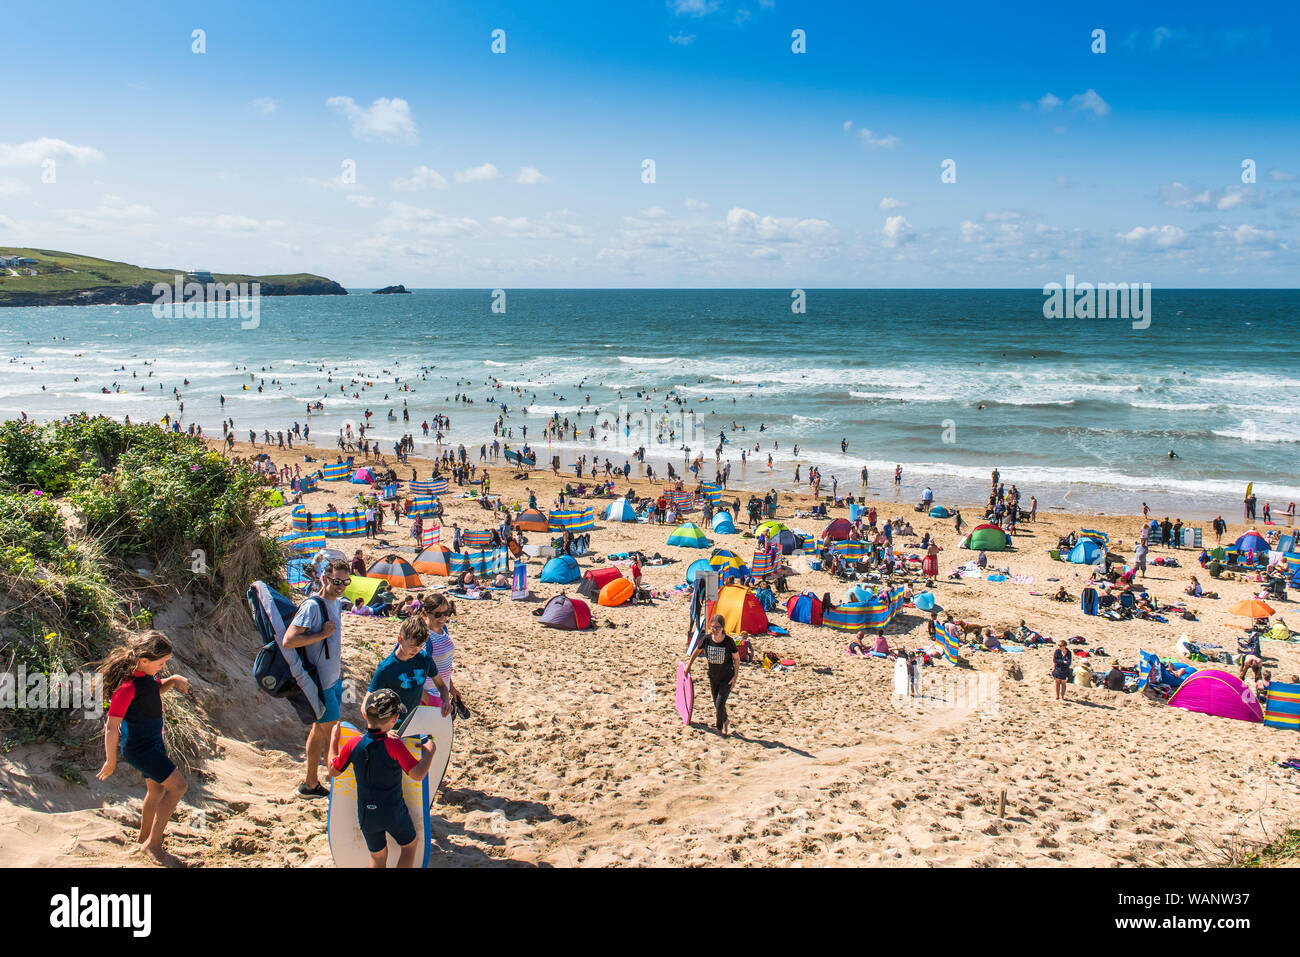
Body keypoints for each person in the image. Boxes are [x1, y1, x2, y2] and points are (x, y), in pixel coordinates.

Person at [96, 631, 190, 865]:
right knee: (178, 787)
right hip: (140, 749)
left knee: (156, 792)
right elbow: (111, 726)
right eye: (161, 663)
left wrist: (173, 679)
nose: (163, 666)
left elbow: (154, 691)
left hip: (153, 744)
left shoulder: (147, 678)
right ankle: (153, 845)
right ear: (144, 660)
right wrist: (111, 760)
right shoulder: (127, 687)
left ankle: (144, 838)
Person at [328, 689, 437, 868]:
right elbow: (417, 774)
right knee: (409, 847)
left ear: (366, 715)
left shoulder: (353, 744)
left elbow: (333, 770)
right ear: (394, 719)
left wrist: (333, 741)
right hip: (393, 812)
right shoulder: (394, 745)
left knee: (378, 858)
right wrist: (430, 753)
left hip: (366, 814)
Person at [283, 558, 349, 798]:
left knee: (319, 731)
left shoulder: (337, 603)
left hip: (333, 680)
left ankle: (310, 784)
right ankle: (339, 789)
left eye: (345, 582)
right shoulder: (312, 606)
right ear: (324, 578)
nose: (340, 586)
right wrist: (321, 634)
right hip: (320, 683)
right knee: (334, 735)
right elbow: (289, 640)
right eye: (336, 581)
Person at [369, 617, 453, 716]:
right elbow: (367, 705)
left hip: (417, 721)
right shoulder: (386, 668)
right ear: (400, 639)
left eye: (420, 646)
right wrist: (383, 729)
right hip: (393, 726)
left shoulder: (425, 659)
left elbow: (442, 686)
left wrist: (446, 701)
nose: (416, 650)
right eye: (412, 646)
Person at [684, 614, 739, 736]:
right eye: (713, 627)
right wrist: (688, 665)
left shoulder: (729, 642)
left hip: (727, 678)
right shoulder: (707, 639)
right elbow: (696, 652)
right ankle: (725, 720)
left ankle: (720, 729)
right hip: (713, 677)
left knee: (719, 704)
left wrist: (735, 677)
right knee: (717, 704)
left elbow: (736, 659)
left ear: (723, 627)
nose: (715, 630)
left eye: (718, 627)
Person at [419, 594, 464, 712]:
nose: (443, 618)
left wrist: (451, 688)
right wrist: (431, 701)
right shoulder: (422, 637)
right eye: (438, 614)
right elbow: (411, 676)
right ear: (425, 613)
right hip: (426, 699)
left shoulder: (443, 629)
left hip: (441, 695)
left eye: (446, 613)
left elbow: (443, 665)